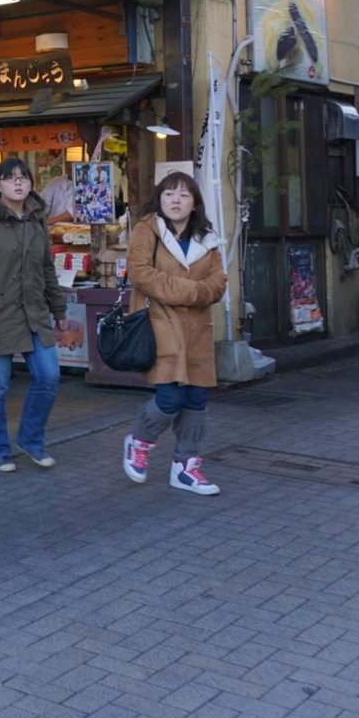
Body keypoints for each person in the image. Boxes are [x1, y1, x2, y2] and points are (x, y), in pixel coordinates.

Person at [0, 159, 78, 472]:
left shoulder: (37, 221)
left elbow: (46, 269)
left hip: (33, 312)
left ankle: (31, 439)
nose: (18, 183)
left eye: (23, 177)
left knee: (49, 377)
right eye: (10, 178)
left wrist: (59, 309)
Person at [121, 172, 229, 495]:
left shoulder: (207, 238)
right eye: (169, 194)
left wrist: (198, 293)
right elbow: (140, 273)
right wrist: (191, 292)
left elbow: (218, 283)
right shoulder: (146, 231)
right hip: (160, 324)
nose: (176, 201)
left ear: (194, 203)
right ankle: (139, 441)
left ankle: (185, 467)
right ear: (159, 199)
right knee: (170, 397)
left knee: (197, 398)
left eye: (183, 195)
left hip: (197, 330)